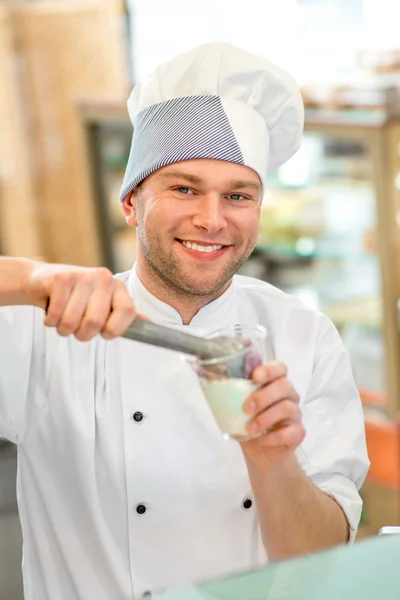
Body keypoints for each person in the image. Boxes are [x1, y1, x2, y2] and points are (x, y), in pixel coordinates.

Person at [0, 43, 369, 600]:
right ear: (130, 202)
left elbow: (318, 561)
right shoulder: (47, 327)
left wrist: (273, 461)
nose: (212, 220)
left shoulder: (303, 335)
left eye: (238, 195)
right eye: (184, 188)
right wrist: (27, 279)